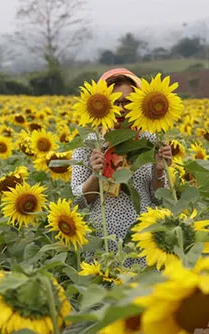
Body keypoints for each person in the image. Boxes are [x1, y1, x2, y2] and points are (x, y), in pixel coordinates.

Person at [71, 68, 172, 264]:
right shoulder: (89, 144)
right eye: (114, 102)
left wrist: (160, 169)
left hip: (143, 240)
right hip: (102, 243)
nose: (121, 108)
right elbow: (79, 202)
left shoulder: (148, 141)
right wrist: (95, 175)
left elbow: (158, 199)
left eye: (127, 102)